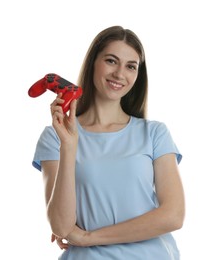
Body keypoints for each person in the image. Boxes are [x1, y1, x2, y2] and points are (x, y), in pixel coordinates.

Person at [32, 25, 185, 260]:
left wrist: (88, 238)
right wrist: (70, 145)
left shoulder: (154, 133)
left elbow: (173, 215)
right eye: (111, 61)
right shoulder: (56, 136)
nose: (120, 74)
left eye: (131, 66)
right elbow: (61, 227)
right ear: (94, 62)